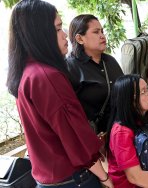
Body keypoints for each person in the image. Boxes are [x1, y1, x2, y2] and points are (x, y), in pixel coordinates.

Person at [6, 1, 112, 187]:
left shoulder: (28, 72)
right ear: (39, 34)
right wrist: (104, 177)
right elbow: (74, 136)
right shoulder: (47, 76)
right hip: (72, 179)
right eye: (57, 29)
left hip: (48, 177)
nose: (65, 36)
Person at [67, 14, 123, 134]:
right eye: (96, 32)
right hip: (93, 138)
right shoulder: (70, 67)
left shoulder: (110, 61)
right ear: (80, 39)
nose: (102, 36)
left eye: (102, 31)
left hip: (119, 132)